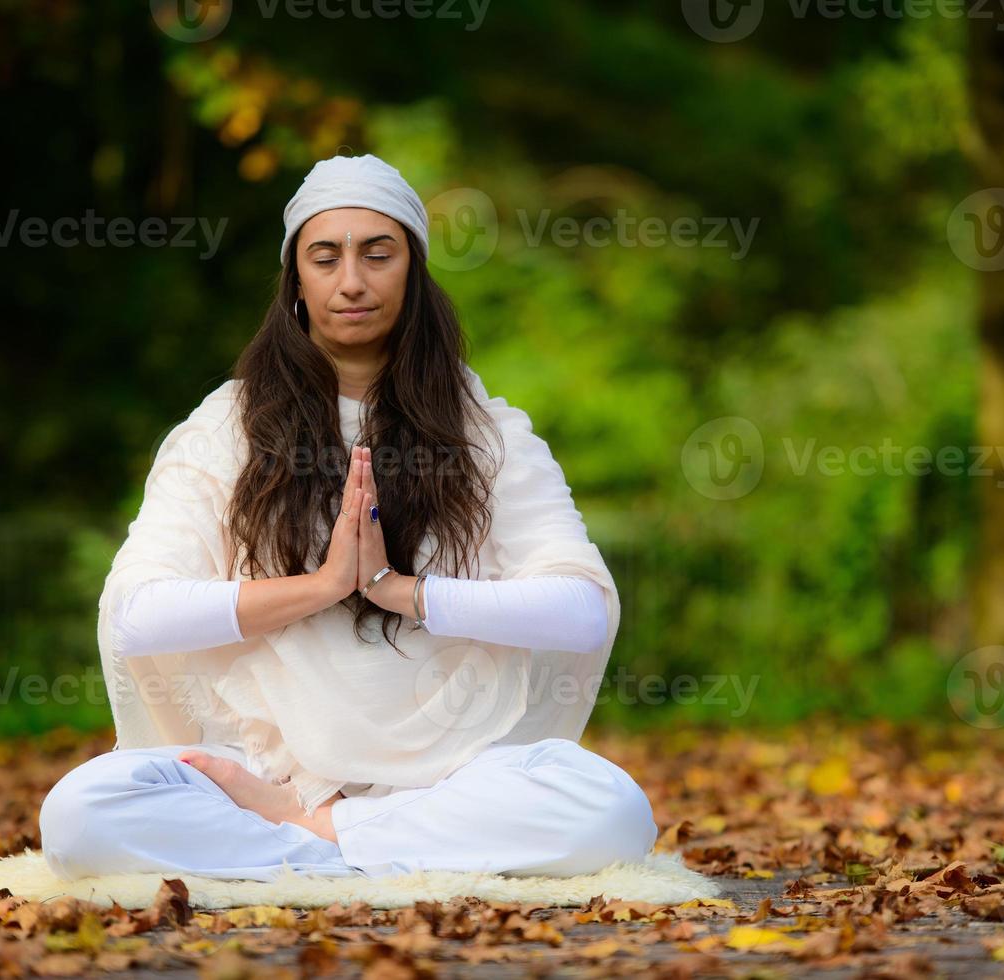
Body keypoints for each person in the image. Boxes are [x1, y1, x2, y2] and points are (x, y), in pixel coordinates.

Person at [38, 153, 658, 881]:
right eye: (325, 257)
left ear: (414, 273)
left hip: (451, 773)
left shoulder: (490, 436)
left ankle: (316, 836)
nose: (352, 281)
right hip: (262, 766)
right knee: (81, 814)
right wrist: (325, 586)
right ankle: (372, 843)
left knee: (611, 809)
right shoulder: (224, 429)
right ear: (296, 280)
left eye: (378, 254)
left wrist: (403, 591)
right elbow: (138, 613)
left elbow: (581, 610)